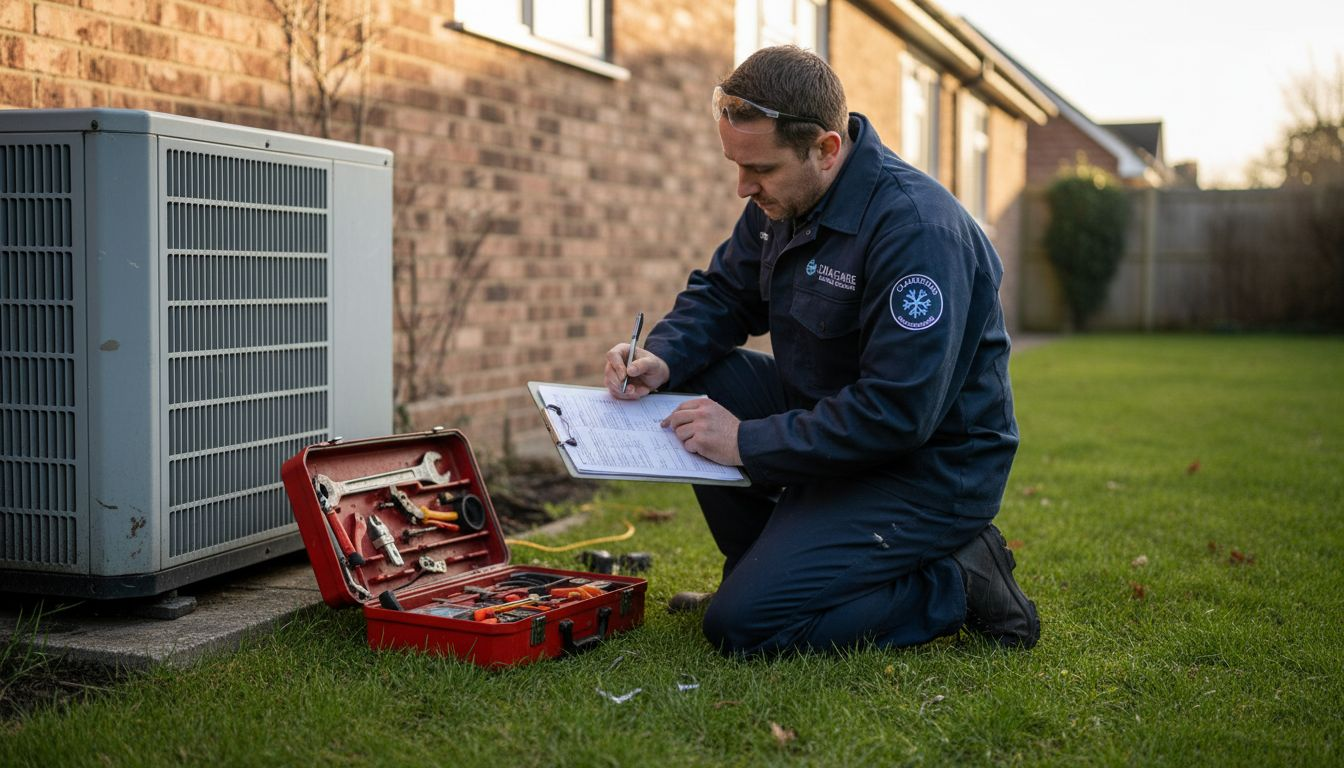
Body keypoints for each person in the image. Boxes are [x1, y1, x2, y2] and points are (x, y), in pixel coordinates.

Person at [604, 45, 1039, 656]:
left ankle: (956, 582)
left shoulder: (917, 231)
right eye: (736, 164)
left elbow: (896, 413)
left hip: (925, 468)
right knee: (702, 376)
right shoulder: (784, 199)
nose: (742, 187)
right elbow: (725, 293)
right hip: (833, 418)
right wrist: (663, 357)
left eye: (760, 169)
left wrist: (745, 442)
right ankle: (759, 572)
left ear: (827, 149)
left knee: (744, 629)